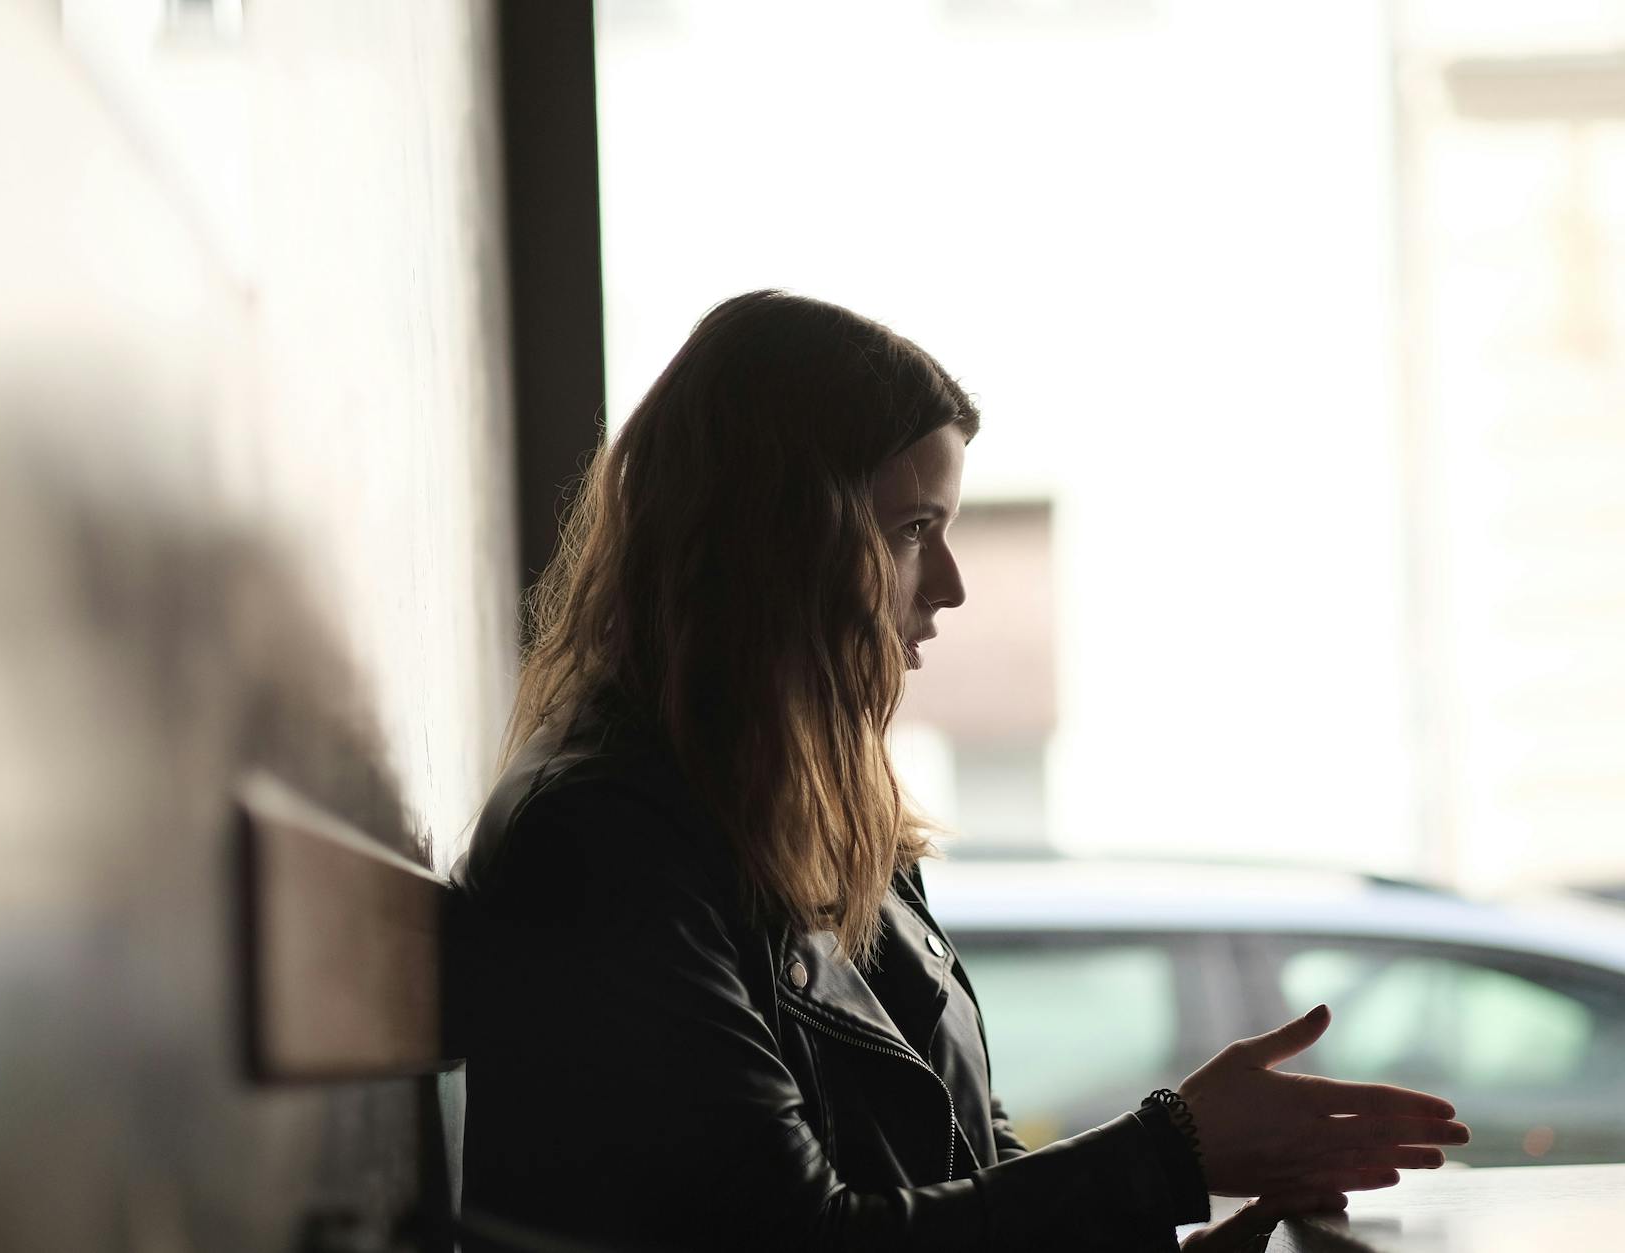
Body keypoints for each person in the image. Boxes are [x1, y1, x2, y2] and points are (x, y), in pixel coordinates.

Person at [450, 290, 1468, 1251]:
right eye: (912, 529)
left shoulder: (814, 820)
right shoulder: (603, 842)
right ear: (778, 544)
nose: (949, 583)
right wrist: (1171, 1150)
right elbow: (794, 1237)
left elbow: (966, 1158)